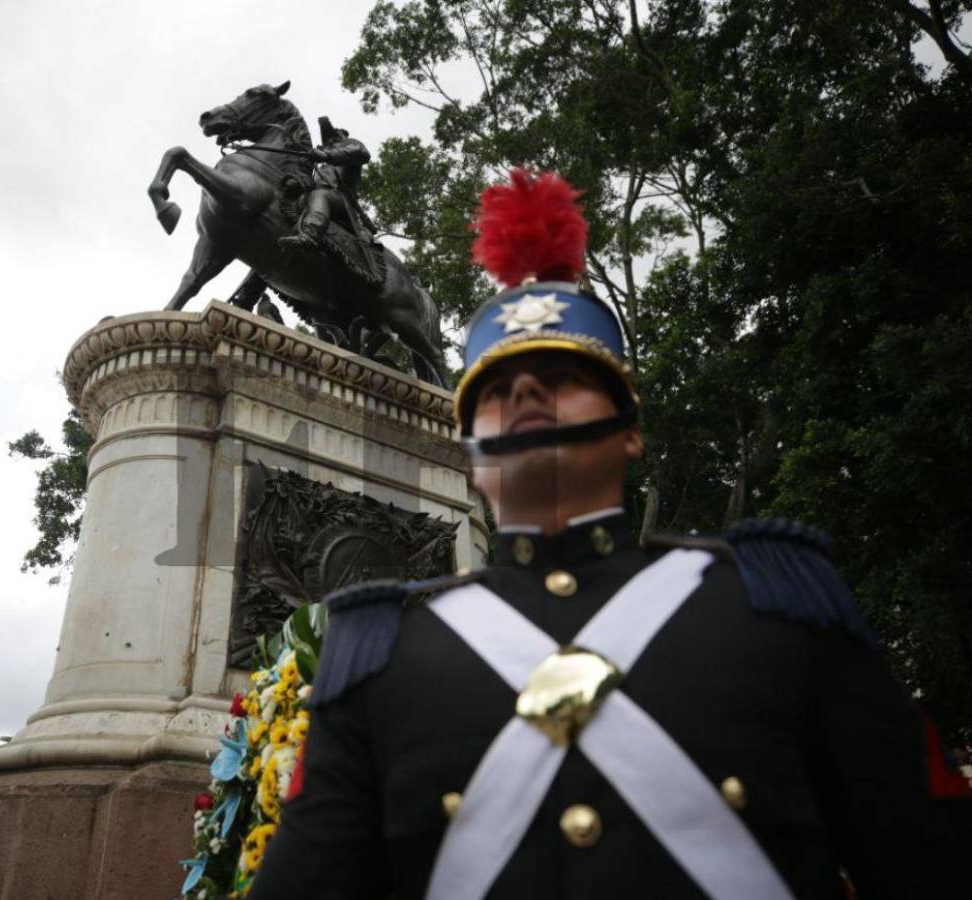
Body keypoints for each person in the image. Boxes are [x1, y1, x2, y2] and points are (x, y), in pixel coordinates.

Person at [250, 169, 927, 899]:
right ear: (470, 454)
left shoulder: (778, 601)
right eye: (499, 390)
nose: (528, 393)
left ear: (630, 431)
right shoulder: (377, 653)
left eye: (561, 375)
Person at [278, 117, 375, 254]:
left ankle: (310, 235)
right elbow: (309, 179)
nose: (329, 143)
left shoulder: (353, 148)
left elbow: (361, 153)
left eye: (334, 139)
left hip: (341, 201)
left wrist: (327, 155)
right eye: (327, 141)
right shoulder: (321, 165)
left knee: (319, 195)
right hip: (313, 198)